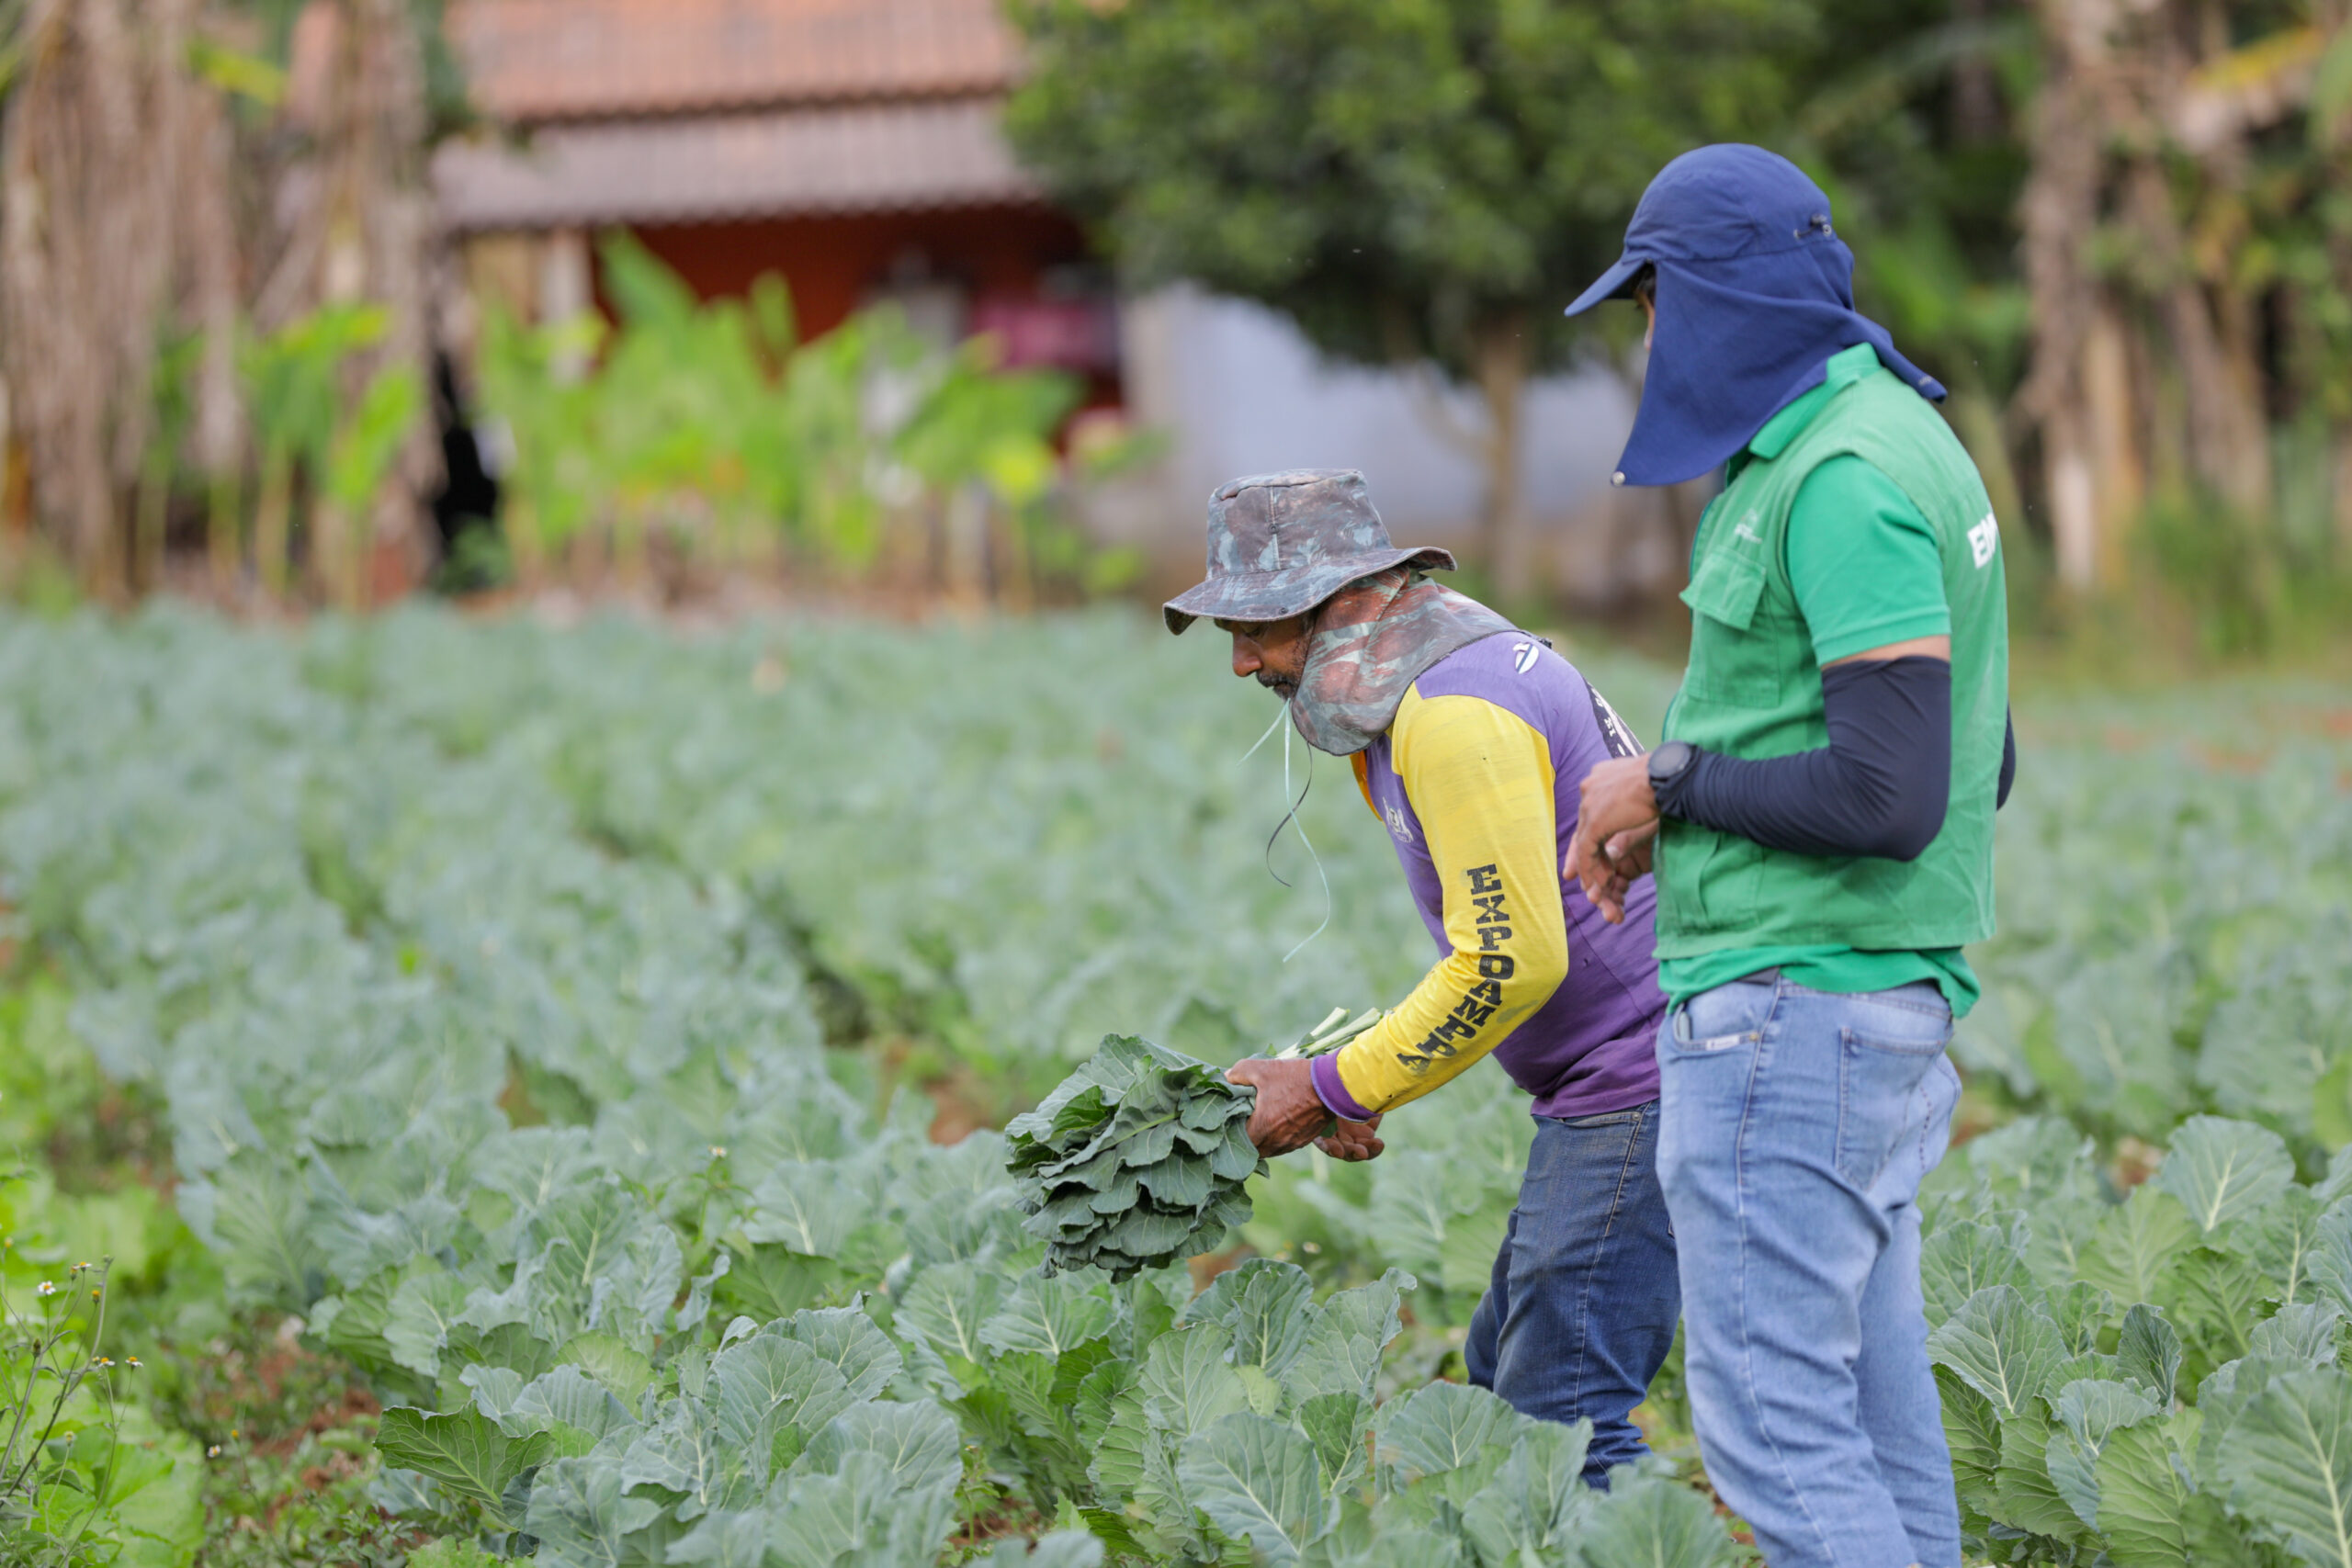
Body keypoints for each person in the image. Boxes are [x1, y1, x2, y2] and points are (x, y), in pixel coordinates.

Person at [1561, 145, 2016, 1568]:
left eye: (1648, 306)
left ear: (1696, 295)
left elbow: (1892, 791)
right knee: (1874, 1436)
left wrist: (1671, 778)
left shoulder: (1838, 474)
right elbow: (1977, 759)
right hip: (1865, 1009)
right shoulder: (1908, 439)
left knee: (1776, 1433)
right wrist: (1686, 803)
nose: (1649, 342)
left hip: (1789, 1018)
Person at [1163, 468, 1678, 1487]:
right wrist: (1351, 1080)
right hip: (1610, 1086)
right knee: (1500, 1373)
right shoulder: (1433, 678)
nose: (1240, 662)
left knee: (1558, 1424)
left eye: (1257, 628)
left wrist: (1324, 1087)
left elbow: (1513, 959)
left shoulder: (1452, 712)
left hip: (1644, 1081)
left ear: (1344, 605)